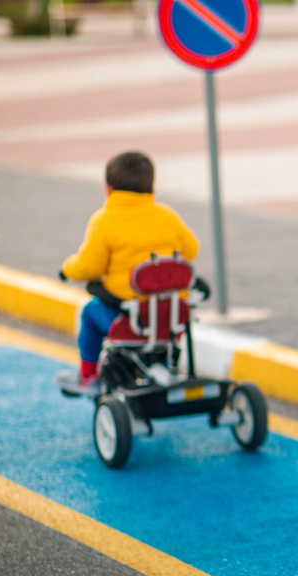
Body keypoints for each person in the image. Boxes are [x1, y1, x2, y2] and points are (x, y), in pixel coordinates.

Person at [55, 151, 199, 395]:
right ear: (152, 191)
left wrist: (67, 268)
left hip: (130, 323)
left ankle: (88, 375)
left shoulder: (104, 220)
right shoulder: (167, 215)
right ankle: (157, 363)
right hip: (170, 320)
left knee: (90, 312)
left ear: (108, 190)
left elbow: (89, 267)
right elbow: (191, 250)